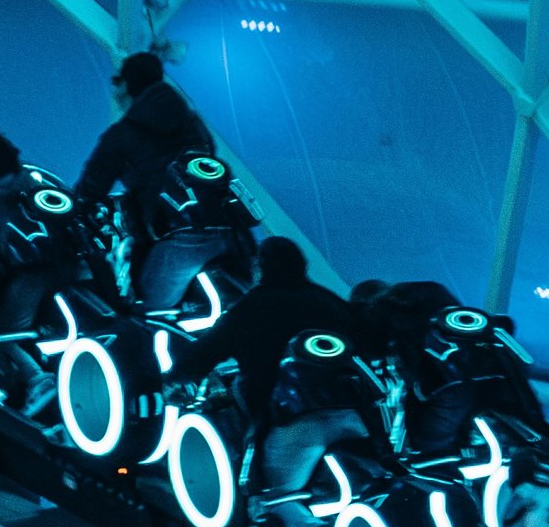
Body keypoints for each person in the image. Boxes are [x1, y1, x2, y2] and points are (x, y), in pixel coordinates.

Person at [169, 234, 375, 492]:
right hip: (358, 415)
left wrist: (167, 380)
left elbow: (202, 356)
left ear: (260, 267)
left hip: (297, 420)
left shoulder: (252, 306)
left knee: (275, 500)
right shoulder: (328, 300)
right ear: (303, 266)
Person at [75, 48, 219, 271]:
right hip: (219, 225)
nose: (114, 92)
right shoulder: (192, 123)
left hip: (167, 237)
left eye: (118, 81)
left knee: (135, 296)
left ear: (130, 85)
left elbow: (91, 189)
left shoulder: (121, 134)